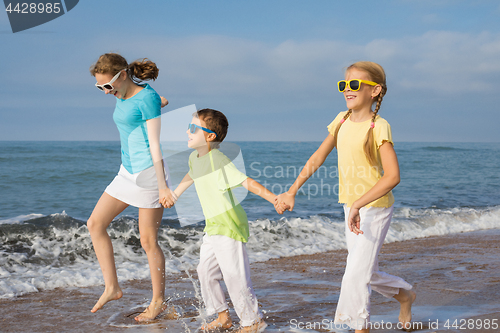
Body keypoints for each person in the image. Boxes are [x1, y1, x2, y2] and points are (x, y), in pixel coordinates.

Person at [275, 61, 416, 332]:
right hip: (351, 207)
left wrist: (359, 205)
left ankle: (352, 327)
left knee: (355, 274)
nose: (347, 89)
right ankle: (405, 295)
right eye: (344, 84)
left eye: (354, 84)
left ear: (375, 91)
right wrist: (292, 191)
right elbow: (318, 157)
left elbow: (392, 176)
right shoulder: (341, 119)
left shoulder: (379, 127)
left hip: (373, 208)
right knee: (365, 273)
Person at [165, 109, 273, 333]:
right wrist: (175, 194)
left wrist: (274, 199)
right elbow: (191, 174)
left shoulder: (218, 159)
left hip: (229, 225)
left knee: (235, 275)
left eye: (193, 128)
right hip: (212, 227)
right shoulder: (195, 157)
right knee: (205, 271)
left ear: (210, 136)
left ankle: (253, 321)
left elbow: (245, 181)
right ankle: (223, 317)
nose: (188, 130)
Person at [87, 53, 176, 322]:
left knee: (148, 241)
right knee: (95, 224)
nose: (105, 92)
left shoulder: (145, 98)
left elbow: (155, 145)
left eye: (107, 86)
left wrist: (163, 187)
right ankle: (112, 287)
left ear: (122, 75)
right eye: (99, 87)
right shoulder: (126, 94)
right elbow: (144, 103)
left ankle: (158, 301)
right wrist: (160, 102)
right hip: (126, 170)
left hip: (149, 173)